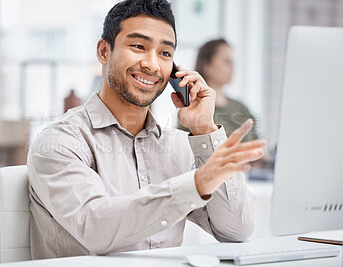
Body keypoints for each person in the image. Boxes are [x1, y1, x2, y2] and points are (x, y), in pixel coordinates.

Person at [27, 0, 265, 260]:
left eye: (165, 53)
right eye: (139, 46)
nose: (152, 65)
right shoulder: (59, 142)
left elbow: (237, 230)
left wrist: (204, 129)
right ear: (104, 51)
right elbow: (95, 227)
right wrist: (194, 186)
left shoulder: (178, 147)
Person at [179, 39, 258, 142]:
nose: (233, 68)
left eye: (233, 62)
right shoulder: (194, 109)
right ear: (206, 65)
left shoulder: (241, 108)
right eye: (226, 62)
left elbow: (258, 148)